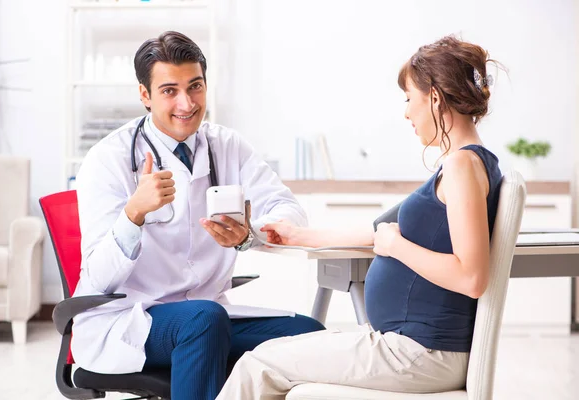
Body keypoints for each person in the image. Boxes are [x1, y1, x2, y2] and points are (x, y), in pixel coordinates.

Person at [216, 35, 504, 399]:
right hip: (412, 348)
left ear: (434, 97)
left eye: (409, 99)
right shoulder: (471, 164)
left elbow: (472, 277)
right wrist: (296, 235)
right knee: (267, 357)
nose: (406, 112)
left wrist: (396, 247)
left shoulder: (462, 165)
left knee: (258, 365)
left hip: (419, 354)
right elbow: (375, 232)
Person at [72, 31, 324, 400]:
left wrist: (248, 235)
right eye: (169, 90)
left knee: (310, 336)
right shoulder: (107, 160)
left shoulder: (228, 146)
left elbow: (290, 213)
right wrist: (133, 214)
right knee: (203, 320)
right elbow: (97, 278)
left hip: (211, 316)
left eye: (195, 87)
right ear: (145, 95)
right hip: (131, 320)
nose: (187, 103)